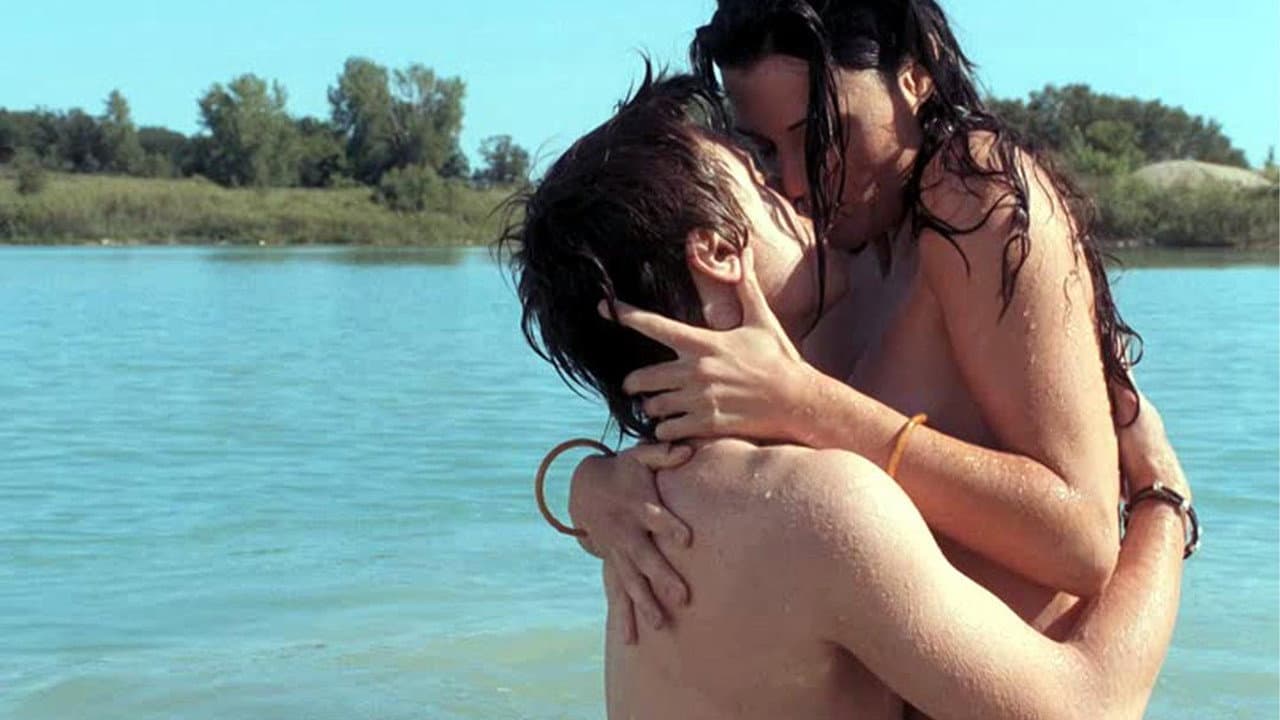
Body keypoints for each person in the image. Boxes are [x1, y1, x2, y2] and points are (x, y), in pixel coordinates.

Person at [501, 73, 1193, 719]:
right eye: (764, 186)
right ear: (717, 253)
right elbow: (1089, 708)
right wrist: (1162, 497)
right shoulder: (820, 505)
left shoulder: (652, 502)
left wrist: (588, 480)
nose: (797, 194)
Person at [571, 0, 1159, 646]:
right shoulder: (822, 248)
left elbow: (1082, 543)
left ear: (915, 76)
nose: (797, 182)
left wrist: (809, 406)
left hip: (1031, 681)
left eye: (824, 135)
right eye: (764, 149)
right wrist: (595, 484)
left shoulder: (971, 197)